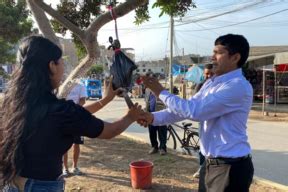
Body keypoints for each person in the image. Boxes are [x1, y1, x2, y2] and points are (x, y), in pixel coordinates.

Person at [0, 36, 143, 192]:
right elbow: (109, 131)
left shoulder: (13, 104)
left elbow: (76, 117)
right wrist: (130, 117)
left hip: (11, 183)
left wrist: (106, 100)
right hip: (42, 187)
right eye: (61, 62)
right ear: (52, 66)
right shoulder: (61, 111)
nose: (63, 67)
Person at [138, 34, 254, 192]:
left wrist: (161, 92)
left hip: (230, 168)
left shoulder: (237, 86)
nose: (212, 57)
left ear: (235, 58)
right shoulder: (211, 83)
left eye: (218, 53)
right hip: (210, 164)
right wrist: (153, 117)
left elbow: (195, 112)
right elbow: (185, 109)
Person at [193, 63, 214, 179]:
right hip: (203, 120)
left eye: (211, 73)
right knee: (203, 145)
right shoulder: (200, 85)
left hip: (215, 121)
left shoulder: (220, 86)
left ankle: (211, 169)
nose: (209, 76)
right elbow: (193, 104)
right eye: (207, 74)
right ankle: (202, 168)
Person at [63, 81, 87, 176]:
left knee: (77, 143)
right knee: (63, 143)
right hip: (64, 118)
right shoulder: (63, 85)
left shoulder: (80, 86)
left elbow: (83, 100)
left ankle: (75, 167)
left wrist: (75, 109)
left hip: (77, 118)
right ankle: (65, 168)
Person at [145, 73, 167, 155]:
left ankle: (162, 148)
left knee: (162, 132)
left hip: (161, 114)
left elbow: (167, 103)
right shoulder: (147, 90)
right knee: (152, 132)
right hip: (150, 114)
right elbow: (147, 101)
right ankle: (154, 147)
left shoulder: (162, 90)